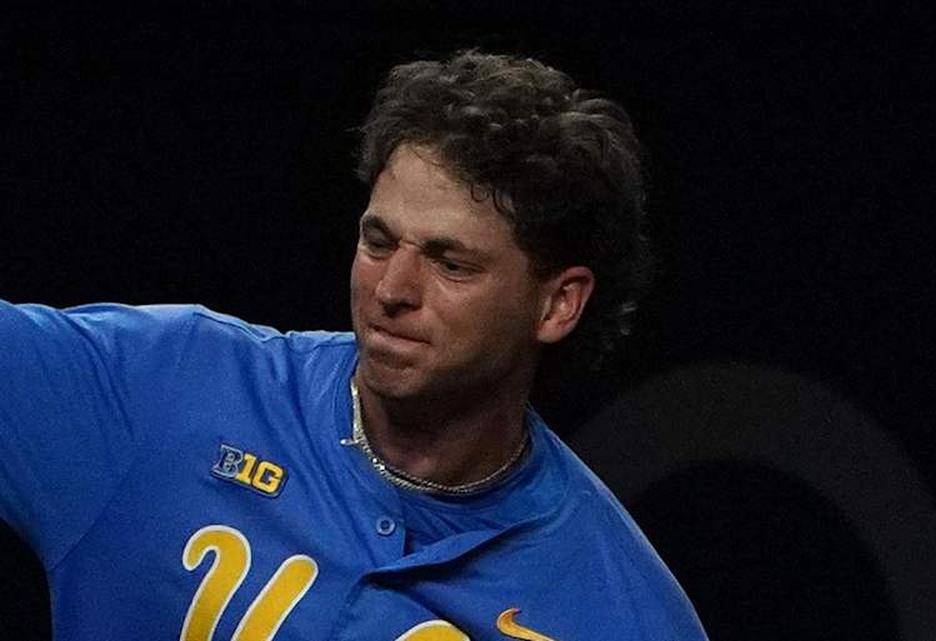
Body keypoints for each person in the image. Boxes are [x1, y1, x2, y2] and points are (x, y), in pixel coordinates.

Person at [0, 50, 708, 640]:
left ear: (558, 303)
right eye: (378, 241)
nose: (391, 288)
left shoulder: (623, 612)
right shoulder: (164, 388)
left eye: (450, 262)